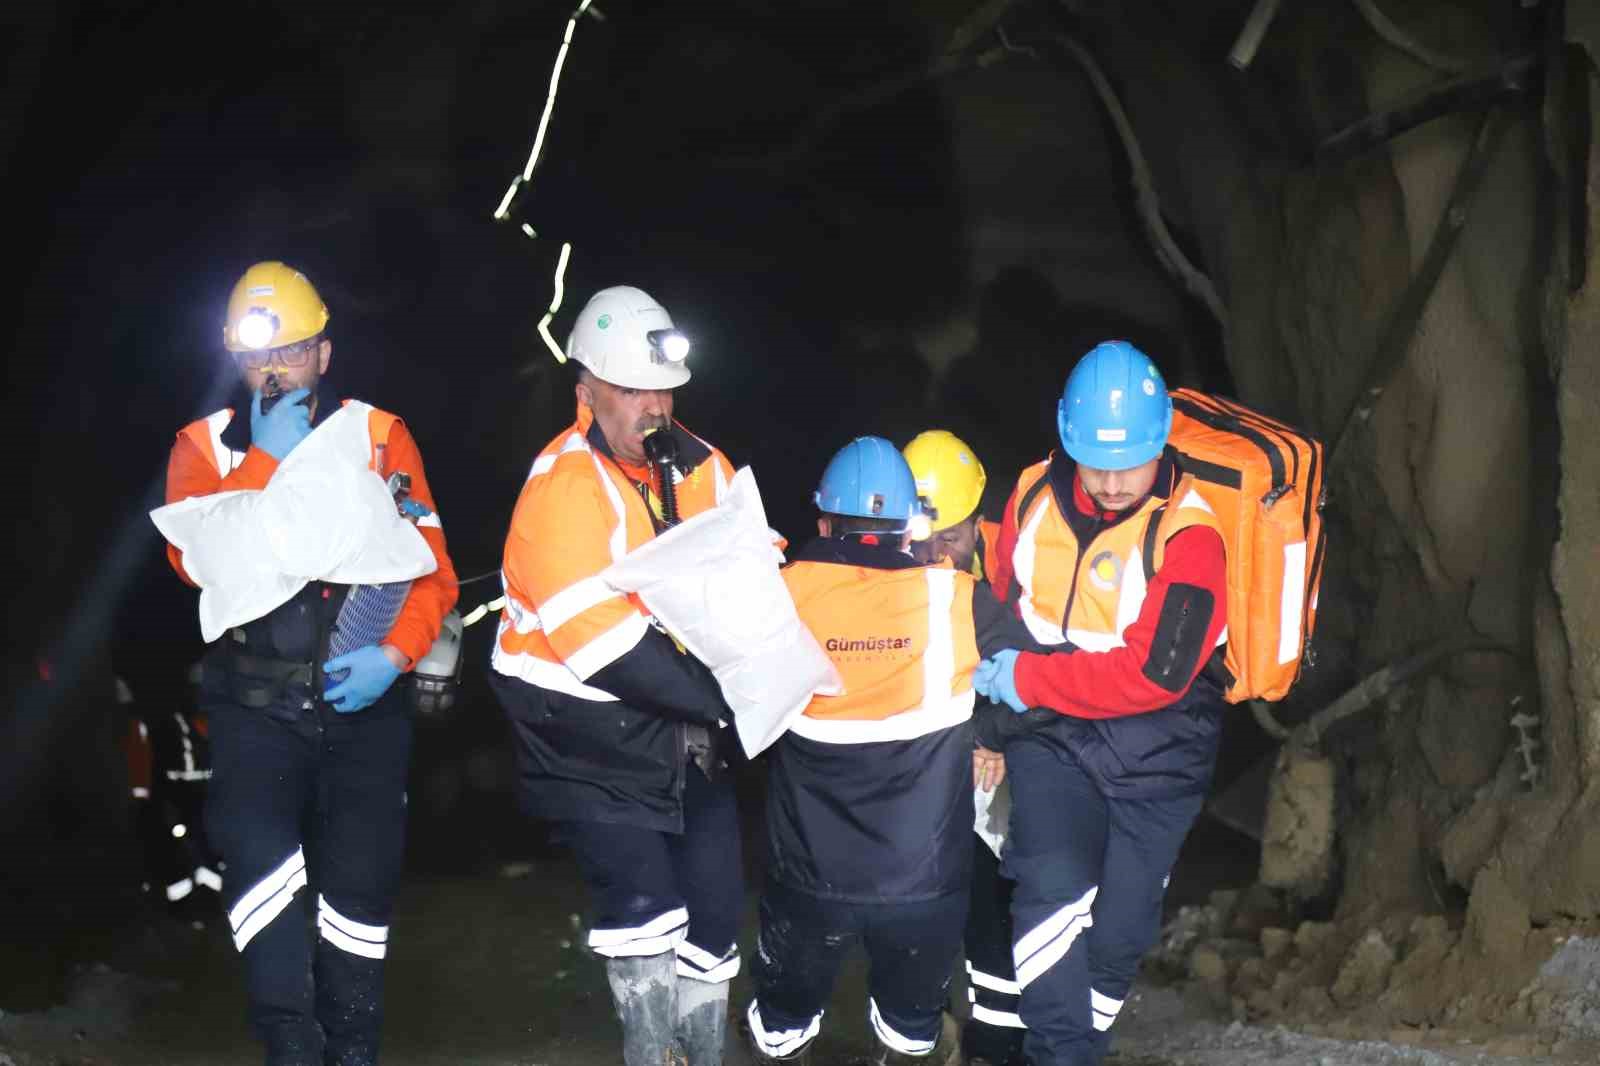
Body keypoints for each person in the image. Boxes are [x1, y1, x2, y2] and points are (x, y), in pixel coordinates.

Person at [163, 261, 459, 1065]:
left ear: (324, 355)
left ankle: (353, 1049)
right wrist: (265, 462)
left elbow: (430, 566)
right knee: (263, 883)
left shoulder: (378, 434)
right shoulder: (205, 448)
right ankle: (291, 1049)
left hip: (363, 707)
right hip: (253, 705)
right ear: (235, 357)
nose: (275, 369)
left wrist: (395, 657)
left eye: (293, 351)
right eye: (259, 354)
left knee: (358, 893)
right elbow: (196, 564)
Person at [489, 285, 741, 1066]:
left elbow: (748, 582)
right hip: (581, 728)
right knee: (643, 910)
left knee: (715, 917)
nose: (652, 406)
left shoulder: (701, 468)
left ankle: (700, 1052)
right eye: (630, 389)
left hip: (678, 724)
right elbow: (604, 647)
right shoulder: (562, 488)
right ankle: (649, 1050)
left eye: (661, 387)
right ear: (586, 392)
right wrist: (731, 698)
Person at [974, 341, 1228, 1066]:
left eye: (1133, 463)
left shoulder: (1192, 537)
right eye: (1096, 461)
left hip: (1161, 741)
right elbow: (997, 596)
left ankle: (1079, 1042)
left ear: (1162, 444)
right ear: (1065, 438)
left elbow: (1154, 676)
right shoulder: (1029, 494)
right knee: (1049, 885)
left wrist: (1027, 680)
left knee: (1119, 929)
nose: (1114, 483)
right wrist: (997, 713)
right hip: (1052, 734)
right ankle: (1062, 1055)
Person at [745, 436, 1027, 1066]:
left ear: (822, 522)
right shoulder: (960, 600)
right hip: (924, 890)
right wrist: (994, 738)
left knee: (780, 1030)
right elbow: (1039, 681)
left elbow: (720, 689)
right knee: (910, 1033)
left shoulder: (777, 596)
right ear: (909, 528)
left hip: (808, 885)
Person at [902, 430, 1022, 1066]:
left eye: (950, 537)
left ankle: (995, 1045)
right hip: (928, 753)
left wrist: (996, 737)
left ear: (979, 520)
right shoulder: (888, 566)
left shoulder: (1018, 563)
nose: (935, 551)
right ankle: (932, 1033)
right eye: (923, 537)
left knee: (994, 899)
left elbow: (1039, 660)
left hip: (996, 754)